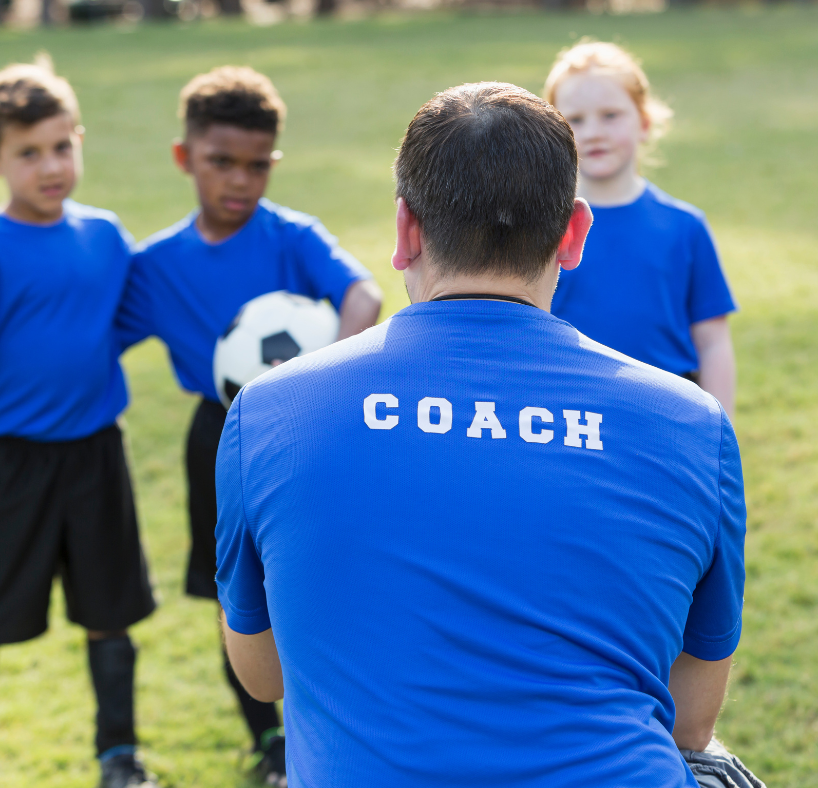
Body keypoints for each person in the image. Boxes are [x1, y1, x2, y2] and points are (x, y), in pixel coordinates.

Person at [216, 81, 747, 787]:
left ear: (405, 230)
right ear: (576, 233)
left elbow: (262, 673)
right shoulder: (691, 423)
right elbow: (689, 723)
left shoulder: (268, 410)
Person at [117, 65, 381, 786]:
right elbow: (97, 336)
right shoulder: (155, 264)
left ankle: (330, 728)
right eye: (221, 163)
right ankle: (269, 746)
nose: (241, 181)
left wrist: (322, 372)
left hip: (306, 433)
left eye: (258, 165)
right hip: (219, 437)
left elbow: (363, 293)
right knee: (238, 594)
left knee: (315, 574)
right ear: (184, 158)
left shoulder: (292, 237)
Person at [0, 58, 158, 788]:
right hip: (12, 463)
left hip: (96, 454)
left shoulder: (105, 237)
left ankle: (118, 757)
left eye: (62, 146)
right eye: (28, 152)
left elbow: (127, 319)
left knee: (109, 611)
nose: (51, 165)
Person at [544, 41, 737, 417]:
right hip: (567, 418)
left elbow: (713, 342)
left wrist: (719, 433)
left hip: (665, 417)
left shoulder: (684, 227)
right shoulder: (540, 226)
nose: (594, 132)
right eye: (576, 120)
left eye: (611, 115)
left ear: (645, 123)